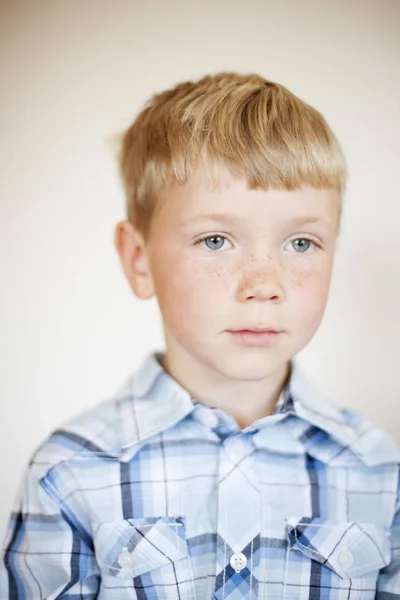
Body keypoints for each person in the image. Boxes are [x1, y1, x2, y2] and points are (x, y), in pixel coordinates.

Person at [1, 73, 399, 599]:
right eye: (216, 239)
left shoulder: (377, 470)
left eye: (302, 243)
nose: (264, 284)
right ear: (139, 261)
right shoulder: (71, 470)